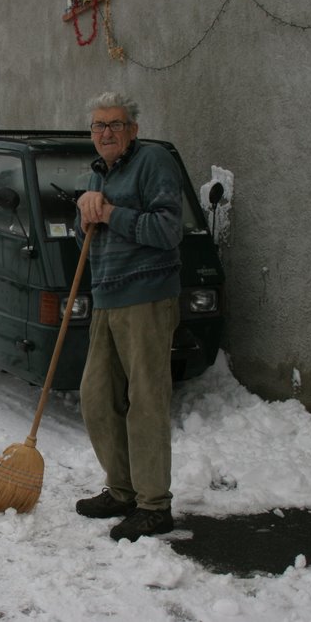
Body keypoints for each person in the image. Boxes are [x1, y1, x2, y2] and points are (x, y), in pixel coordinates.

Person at [73, 91, 183, 541]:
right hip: (107, 296)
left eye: (115, 125)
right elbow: (83, 232)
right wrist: (82, 214)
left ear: (133, 130)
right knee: (96, 397)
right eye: (99, 126)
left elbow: (167, 229)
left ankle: (154, 504)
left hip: (147, 296)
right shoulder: (97, 172)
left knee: (146, 400)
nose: (106, 133)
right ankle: (121, 490)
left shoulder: (153, 161)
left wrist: (111, 213)